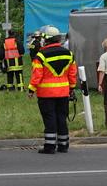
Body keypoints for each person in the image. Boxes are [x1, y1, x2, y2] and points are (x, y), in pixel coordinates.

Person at [27, 25, 77, 154]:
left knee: (50, 118)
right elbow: (72, 74)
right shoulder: (69, 54)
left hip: (46, 93)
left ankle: (49, 146)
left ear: (47, 39)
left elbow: (37, 75)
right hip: (63, 92)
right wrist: (72, 88)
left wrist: (31, 89)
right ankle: (63, 145)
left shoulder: (41, 55)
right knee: (62, 117)